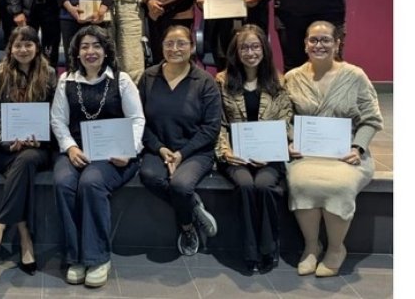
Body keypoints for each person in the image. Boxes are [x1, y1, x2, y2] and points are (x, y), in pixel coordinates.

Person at [284, 21, 383, 277]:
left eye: (326, 39)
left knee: (338, 186)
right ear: (305, 44)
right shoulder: (292, 77)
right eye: (313, 40)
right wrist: (291, 140)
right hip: (306, 152)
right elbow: (284, 117)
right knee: (300, 182)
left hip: (347, 152)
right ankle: (311, 246)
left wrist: (358, 147)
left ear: (337, 43)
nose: (319, 45)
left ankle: (336, 248)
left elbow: (371, 119)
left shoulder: (355, 75)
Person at [51, 25, 144, 288]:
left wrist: (129, 150)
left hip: (115, 154)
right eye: (84, 47)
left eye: (96, 46)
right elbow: (58, 121)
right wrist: (69, 147)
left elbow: (137, 119)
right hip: (76, 149)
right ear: (76, 52)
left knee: (91, 182)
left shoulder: (121, 80)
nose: (90, 51)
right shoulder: (66, 80)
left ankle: (98, 257)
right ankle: (75, 256)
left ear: (106, 50)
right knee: (62, 183)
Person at [214, 24, 292, 273]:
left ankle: (268, 248)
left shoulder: (279, 82)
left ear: (264, 49)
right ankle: (249, 250)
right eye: (244, 47)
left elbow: (285, 121)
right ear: (235, 52)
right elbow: (219, 123)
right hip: (235, 155)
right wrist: (225, 152)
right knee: (246, 185)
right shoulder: (222, 80)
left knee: (264, 186)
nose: (250, 52)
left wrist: (270, 152)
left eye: (255, 46)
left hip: (269, 154)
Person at [138, 25, 220, 256]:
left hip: (196, 151)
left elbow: (211, 128)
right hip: (159, 149)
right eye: (169, 44)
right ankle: (192, 211)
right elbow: (139, 121)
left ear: (192, 47)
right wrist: (161, 149)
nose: (175, 49)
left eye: (181, 43)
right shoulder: (148, 77)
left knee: (181, 185)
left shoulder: (205, 82)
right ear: (161, 47)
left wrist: (181, 154)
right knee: (150, 176)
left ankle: (185, 228)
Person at [0, 26, 58, 275]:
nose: (23, 50)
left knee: (26, 160)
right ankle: (25, 238)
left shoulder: (48, 73)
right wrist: (6, 141)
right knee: (21, 166)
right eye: (18, 45)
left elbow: (56, 114)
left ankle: (0, 223)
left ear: (36, 47)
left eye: (28, 44)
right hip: (5, 147)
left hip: (38, 147)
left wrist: (42, 139)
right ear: (10, 49)